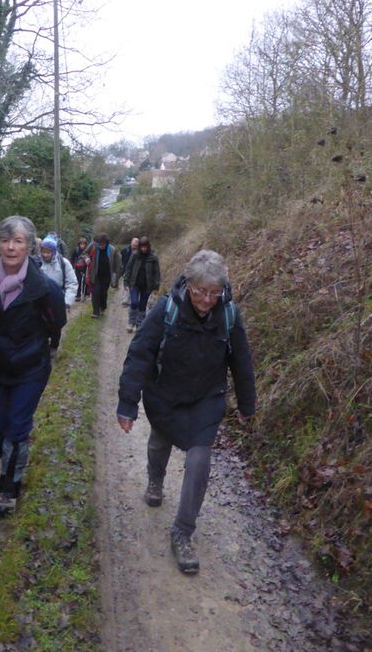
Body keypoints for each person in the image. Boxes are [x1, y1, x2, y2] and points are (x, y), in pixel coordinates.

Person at [116, 249, 256, 574]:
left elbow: (242, 362)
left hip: (206, 398)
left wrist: (247, 405)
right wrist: (127, 402)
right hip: (165, 394)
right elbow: (140, 354)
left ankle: (182, 531)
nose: (206, 299)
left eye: (213, 293)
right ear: (188, 284)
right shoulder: (168, 309)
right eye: (200, 291)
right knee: (159, 442)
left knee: (199, 459)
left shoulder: (229, 315)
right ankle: (155, 479)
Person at [0, 216, 66, 517]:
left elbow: (56, 321)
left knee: (17, 426)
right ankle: (11, 457)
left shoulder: (45, 288)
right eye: (5, 240)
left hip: (31, 368)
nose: (10, 247)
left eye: (18, 241)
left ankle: (10, 484)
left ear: (29, 247)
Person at [123, 236, 161, 333]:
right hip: (134, 283)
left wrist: (156, 287)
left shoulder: (153, 257)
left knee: (143, 305)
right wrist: (126, 282)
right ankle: (131, 322)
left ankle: (139, 323)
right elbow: (129, 268)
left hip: (147, 285)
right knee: (134, 302)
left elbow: (157, 273)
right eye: (142, 247)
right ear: (139, 247)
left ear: (148, 246)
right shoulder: (135, 255)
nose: (143, 249)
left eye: (145, 247)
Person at [39, 236, 78, 319]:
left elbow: (72, 283)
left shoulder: (63, 263)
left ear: (54, 251)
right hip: (40, 305)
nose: (45, 255)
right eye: (43, 251)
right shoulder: (37, 263)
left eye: (48, 252)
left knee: (55, 328)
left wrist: (67, 302)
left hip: (57, 303)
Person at [85, 233, 121, 319]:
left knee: (103, 293)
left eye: (102, 244)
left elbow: (117, 263)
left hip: (107, 276)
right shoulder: (94, 246)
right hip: (95, 275)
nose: (100, 246)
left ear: (106, 243)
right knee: (95, 293)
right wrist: (86, 258)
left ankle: (103, 307)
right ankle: (95, 311)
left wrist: (116, 276)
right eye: (99, 244)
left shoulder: (112, 249)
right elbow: (85, 253)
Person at [120, 237, 139, 306]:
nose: (134, 247)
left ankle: (132, 299)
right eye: (133, 245)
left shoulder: (139, 252)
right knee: (126, 284)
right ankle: (125, 300)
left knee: (133, 285)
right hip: (126, 269)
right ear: (131, 243)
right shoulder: (125, 250)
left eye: (136, 246)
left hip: (135, 271)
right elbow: (121, 260)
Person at [71, 237, 89, 302]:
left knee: (85, 282)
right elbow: (72, 258)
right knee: (78, 281)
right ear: (79, 244)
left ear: (86, 244)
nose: (82, 245)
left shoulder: (88, 250)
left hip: (85, 268)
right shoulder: (76, 250)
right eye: (81, 244)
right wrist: (73, 265)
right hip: (77, 268)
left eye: (84, 244)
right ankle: (78, 295)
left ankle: (84, 295)